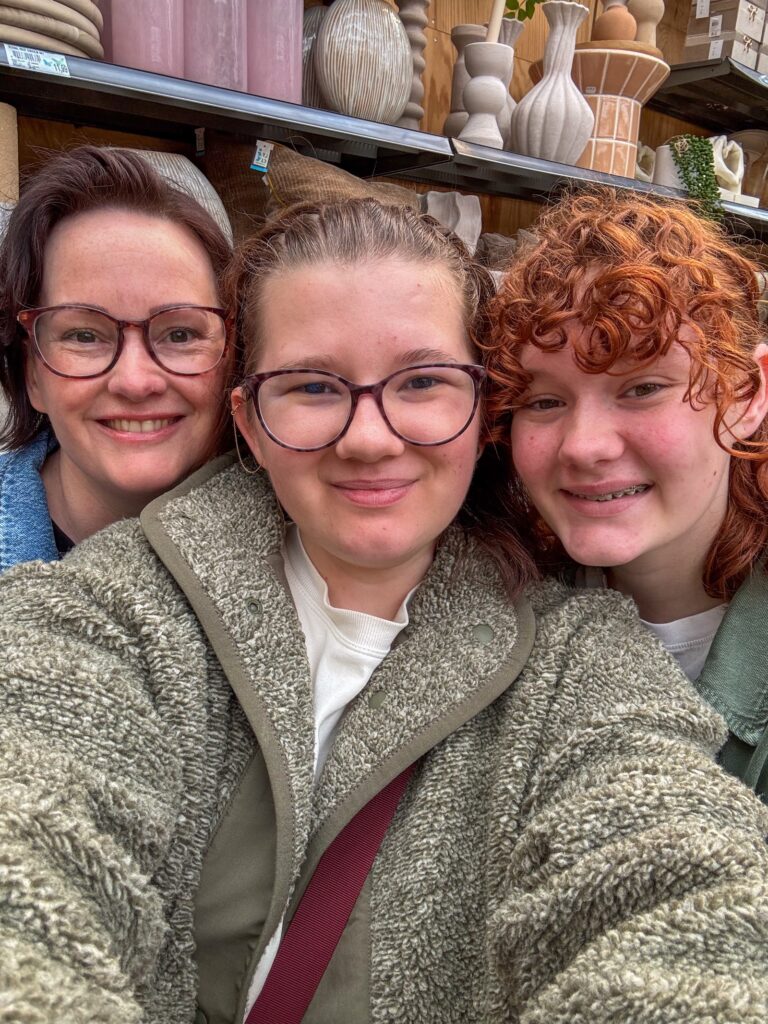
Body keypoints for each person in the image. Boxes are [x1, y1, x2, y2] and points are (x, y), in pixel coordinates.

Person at [2, 197, 768, 1024]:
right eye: (311, 385)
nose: (368, 437)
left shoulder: (576, 659)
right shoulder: (113, 610)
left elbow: (674, 883)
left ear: (481, 417)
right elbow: (33, 834)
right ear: (249, 422)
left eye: (423, 382)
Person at [484, 185, 768, 799]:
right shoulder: (490, 604)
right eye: (544, 400)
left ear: (746, 394)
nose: (584, 446)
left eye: (642, 388)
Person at [0, 145, 234, 571]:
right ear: (31, 372)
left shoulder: (309, 536)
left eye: (180, 334)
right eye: (85, 335)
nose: (134, 381)